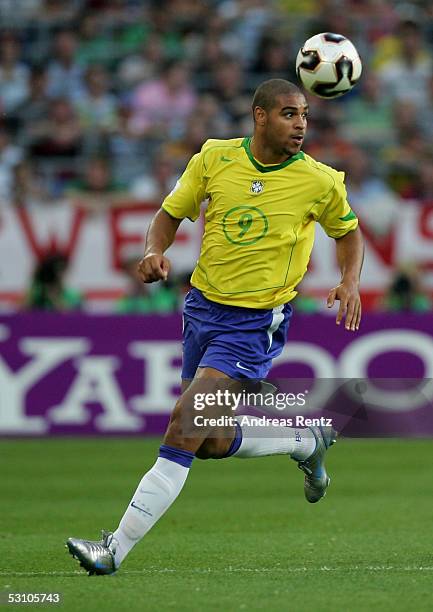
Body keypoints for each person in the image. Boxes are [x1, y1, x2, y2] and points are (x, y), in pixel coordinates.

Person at [67, 79, 364, 575]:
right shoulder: (214, 158)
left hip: (254, 324)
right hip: (202, 310)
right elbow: (168, 214)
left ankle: (113, 549)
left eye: (306, 115)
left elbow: (349, 234)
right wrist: (152, 251)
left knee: (184, 423)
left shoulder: (321, 180)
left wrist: (349, 280)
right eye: (290, 114)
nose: (301, 124)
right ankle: (304, 440)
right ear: (260, 116)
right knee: (208, 441)